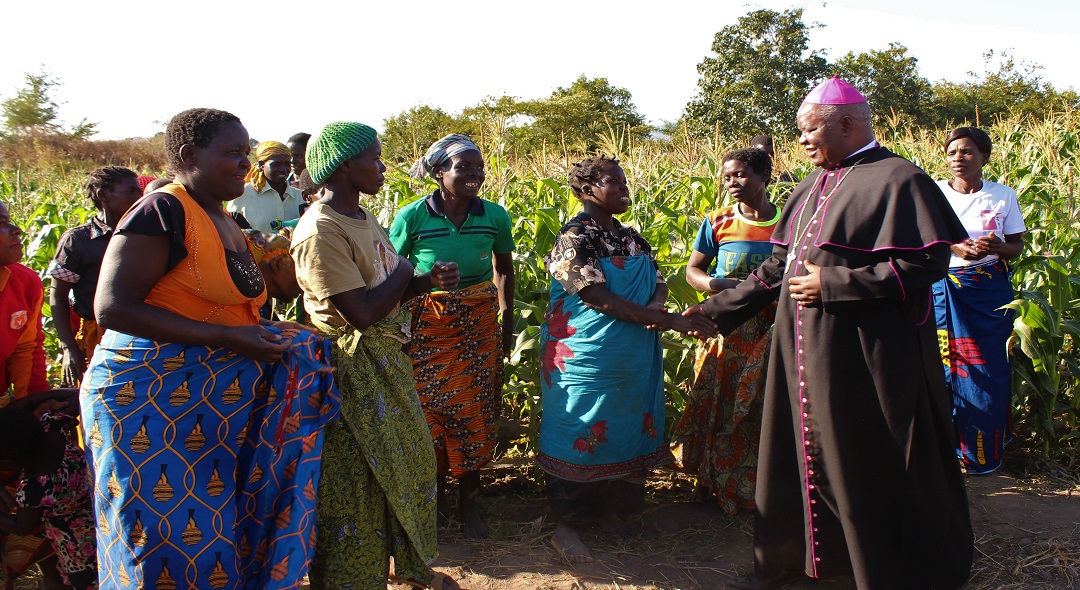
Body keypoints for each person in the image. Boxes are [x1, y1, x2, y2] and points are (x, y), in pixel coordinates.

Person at [688, 77, 975, 590]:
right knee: (797, 454)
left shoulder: (898, 179)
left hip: (863, 356)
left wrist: (838, 282)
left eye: (809, 130)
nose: (800, 141)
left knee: (862, 458)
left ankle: (877, 572)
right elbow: (777, 267)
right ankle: (792, 565)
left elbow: (928, 261)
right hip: (799, 349)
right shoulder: (809, 186)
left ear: (846, 124)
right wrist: (715, 309)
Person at [81, 108, 336, 589]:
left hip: (210, 413)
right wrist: (226, 339)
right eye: (232, 153)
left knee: (212, 536)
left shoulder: (223, 219)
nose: (245, 163)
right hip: (147, 406)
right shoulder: (162, 211)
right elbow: (112, 307)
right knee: (157, 543)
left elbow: (231, 308)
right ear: (188, 155)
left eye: (246, 152)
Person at [290, 122, 460, 590]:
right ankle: (351, 579)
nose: (383, 168)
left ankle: (401, 566)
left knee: (404, 464)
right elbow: (361, 313)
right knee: (357, 485)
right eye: (375, 159)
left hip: (385, 361)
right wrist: (407, 270)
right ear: (345, 167)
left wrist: (425, 282)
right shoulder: (320, 230)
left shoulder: (362, 218)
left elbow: (386, 291)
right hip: (351, 368)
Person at [539, 156, 717, 564]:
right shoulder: (574, 238)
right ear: (587, 191)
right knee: (580, 426)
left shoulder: (631, 237)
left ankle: (610, 512)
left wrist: (659, 305)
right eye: (613, 182)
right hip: (585, 355)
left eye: (624, 182)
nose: (623, 188)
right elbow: (595, 297)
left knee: (622, 426)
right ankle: (567, 526)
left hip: (632, 352)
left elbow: (656, 282)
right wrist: (666, 319)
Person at [389, 134, 514, 539]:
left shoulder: (494, 216)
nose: (475, 174)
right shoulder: (412, 217)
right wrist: (421, 293)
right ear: (439, 172)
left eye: (479, 167)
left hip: (478, 326)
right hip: (429, 328)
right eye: (464, 167)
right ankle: (438, 496)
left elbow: (504, 270)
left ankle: (469, 501)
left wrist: (505, 321)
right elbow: (391, 273)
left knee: (475, 413)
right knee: (431, 415)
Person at [670, 147, 779, 515]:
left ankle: (760, 488)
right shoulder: (718, 221)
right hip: (727, 329)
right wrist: (724, 285)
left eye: (742, 175)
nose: (732, 182)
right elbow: (692, 273)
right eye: (728, 176)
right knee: (718, 401)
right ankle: (710, 482)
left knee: (761, 406)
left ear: (765, 176)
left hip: (772, 329)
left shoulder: (788, 222)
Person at [933, 126, 1026, 475]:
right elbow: (921, 239)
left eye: (967, 151)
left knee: (987, 368)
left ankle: (981, 453)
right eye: (953, 151)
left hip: (987, 293)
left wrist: (996, 247)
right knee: (945, 366)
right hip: (942, 290)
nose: (959, 158)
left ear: (984, 157)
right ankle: (945, 452)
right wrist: (955, 246)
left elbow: (1016, 246)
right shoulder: (935, 193)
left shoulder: (1003, 196)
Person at [48, 166, 142, 387]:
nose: (139, 198)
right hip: (98, 336)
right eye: (131, 192)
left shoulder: (143, 236)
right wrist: (69, 348)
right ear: (103, 195)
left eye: (139, 192)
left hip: (142, 331)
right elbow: (58, 295)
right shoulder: (78, 241)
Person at [0, 396, 95, 590]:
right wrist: (43, 403)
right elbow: (76, 392)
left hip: (78, 549)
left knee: (87, 583)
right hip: (95, 521)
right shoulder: (51, 429)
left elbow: (20, 526)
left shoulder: (36, 487)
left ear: (7, 464)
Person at [226, 140, 305, 232]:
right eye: (276, 164)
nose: (283, 169)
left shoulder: (300, 197)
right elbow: (231, 231)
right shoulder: (242, 194)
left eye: (287, 164)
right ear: (261, 165)